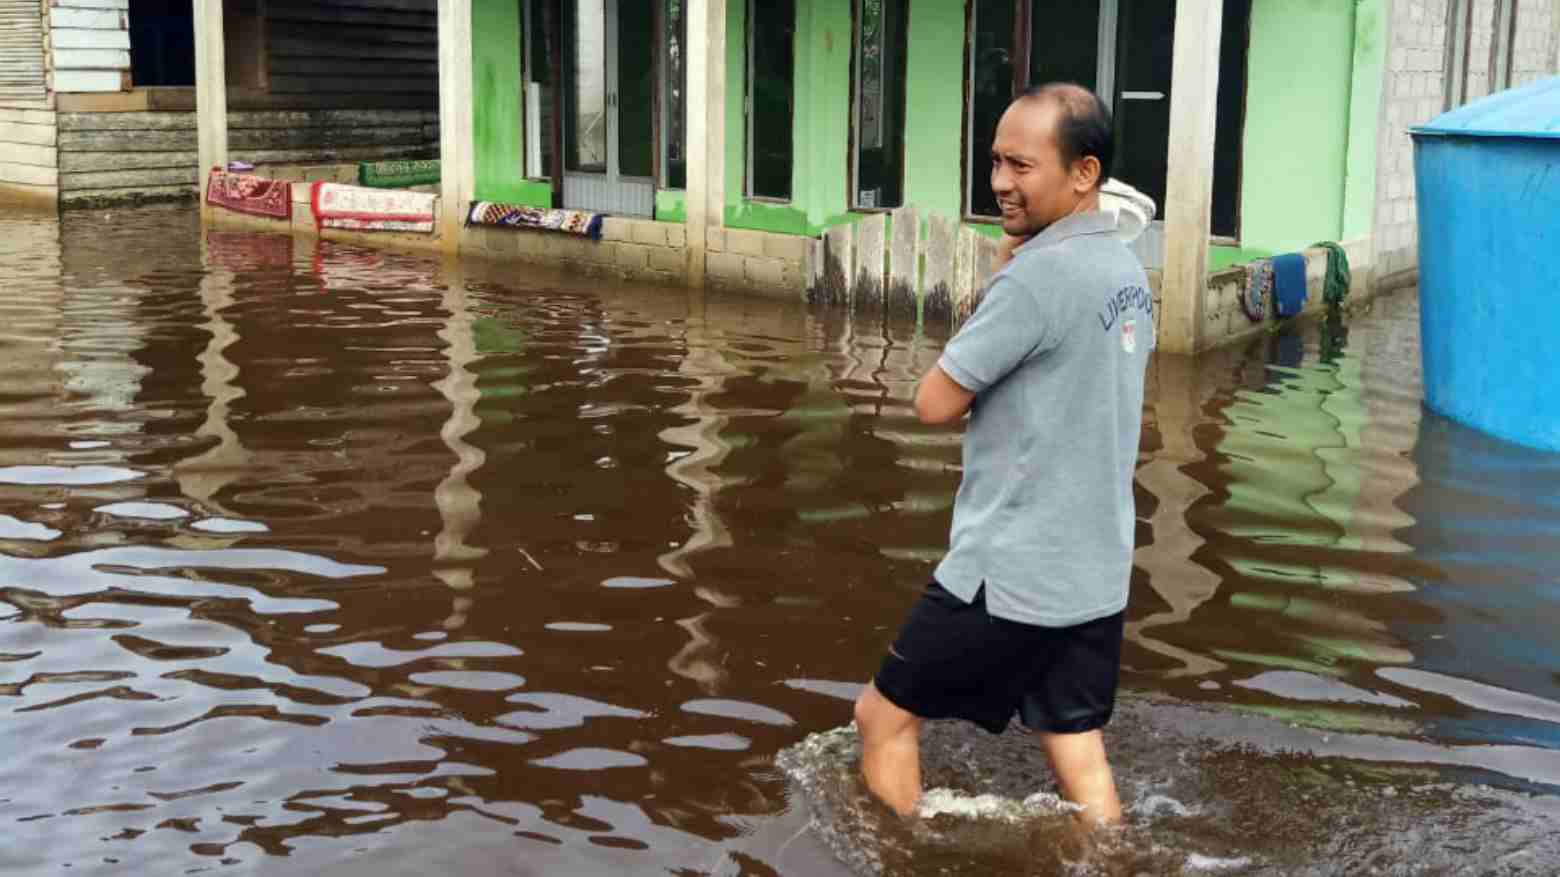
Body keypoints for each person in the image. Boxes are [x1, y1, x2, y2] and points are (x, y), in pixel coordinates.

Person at [852, 82, 1153, 825]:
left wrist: (1003, 278)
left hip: (1010, 570)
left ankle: (900, 855)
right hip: (1096, 569)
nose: (998, 183)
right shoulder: (1126, 270)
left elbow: (933, 401)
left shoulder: (1036, 278)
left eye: (1021, 165)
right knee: (1074, 741)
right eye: (995, 162)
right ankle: (1115, 858)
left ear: (1083, 174)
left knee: (881, 718)